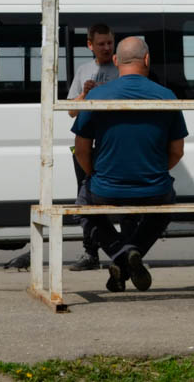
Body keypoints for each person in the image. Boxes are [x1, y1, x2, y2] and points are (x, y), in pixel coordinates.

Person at [72, 37, 187, 293]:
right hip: (155, 189)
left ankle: (122, 255)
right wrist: (153, 172)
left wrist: (95, 175)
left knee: (83, 205)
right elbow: (177, 151)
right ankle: (130, 254)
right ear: (147, 60)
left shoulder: (97, 96)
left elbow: (81, 150)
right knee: (166, 205)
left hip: (106, 189)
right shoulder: (167, 96)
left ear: (115, 60)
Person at [66, 23, 118, 271]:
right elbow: (71, 110)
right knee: (86, 199)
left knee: (121, 198)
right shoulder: (83, 70)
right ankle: (91, 252)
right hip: (87, 145)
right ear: (90, 45)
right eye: (101, 44)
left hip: (114, 144)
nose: (106, 48)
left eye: (109, 42)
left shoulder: (122, 68)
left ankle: (129, 247)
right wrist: (84, 95)